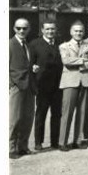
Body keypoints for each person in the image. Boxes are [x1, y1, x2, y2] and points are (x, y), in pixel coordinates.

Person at [59, 21, 88, 151]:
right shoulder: (64, 46)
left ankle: (78, 140)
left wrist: (78, 62)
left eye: (81, 31)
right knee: (67, 112)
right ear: (71, 32)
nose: (78, 33)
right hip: (69, 81)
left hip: (85, 81)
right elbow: (66, 61)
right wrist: (83, 60)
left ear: (84, 32)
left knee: (83, 112)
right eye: (76, 31)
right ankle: (62, 142)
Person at [29, 20, 62, 152]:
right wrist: (34, 84)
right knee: (41, 114)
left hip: (58, 86)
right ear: (42, 30)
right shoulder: (34, 44)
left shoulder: (61, 44)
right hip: (42, 86)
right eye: (47, 29)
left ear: (56, 30)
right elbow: (30, 65)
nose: (50, 32)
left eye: (52, 29)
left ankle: (54, 142)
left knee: (56, 115)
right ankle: (38, 142)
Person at [9, 18, 36, 159]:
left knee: (28, 117)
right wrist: (10, 84)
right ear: (14, 29)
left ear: (29, 29)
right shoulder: (9, 45)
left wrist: (33, 69)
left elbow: (27, 64)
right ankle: (11, 148)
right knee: (14, 119)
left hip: (29, 86)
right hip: (16, 86)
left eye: (24, 28)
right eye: (19, 28)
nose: (21, 31)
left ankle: (23, 146)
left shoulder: (28, 45)